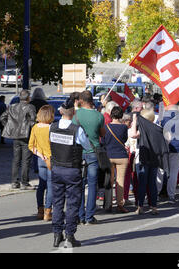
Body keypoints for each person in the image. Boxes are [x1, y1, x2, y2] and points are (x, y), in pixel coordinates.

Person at [50, 98, 91, 248]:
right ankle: (69, 235)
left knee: (57, 203)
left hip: (56, 169)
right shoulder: (76, 129)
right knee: (73, 203)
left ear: (61, 112)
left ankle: (56, 234)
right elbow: (87, 146)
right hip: (72, 169)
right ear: (73, 113)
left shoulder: (52, 127)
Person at [72, 91, 105, 225]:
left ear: (81, 100)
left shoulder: (77, 115)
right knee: (92, 185)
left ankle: (80, 215)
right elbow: (102, 133)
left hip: (79, 151)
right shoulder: (99, 115)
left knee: (79, 184)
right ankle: (89, 216)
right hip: (93, 151)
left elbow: (73, 130)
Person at [130, 108, 169, 215]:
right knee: (152, 183)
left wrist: (134, 119)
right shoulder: (158, 128)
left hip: (143, 157)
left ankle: (140, 206)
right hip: (155, 158)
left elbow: (133, 135)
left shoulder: (143, 129)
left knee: (142, 183)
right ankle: (154, 206)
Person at [0, 90, 36, 190]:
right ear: (28, 98)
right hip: (26, 136)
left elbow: (2, 117)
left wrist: (9, 127)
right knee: (26, 160)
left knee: (16, 160)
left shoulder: (12, 107)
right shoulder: (30, 107)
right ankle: (24, 182)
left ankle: (14, 182)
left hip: (15, 136)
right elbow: (33, 122)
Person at [28, 105, 55, 221]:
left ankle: (40, 209)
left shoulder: (35, 127)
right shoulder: (51, 128)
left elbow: (31, 146)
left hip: (40, 159)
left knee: (41, 185)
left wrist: (40, 154)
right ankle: (48, 211)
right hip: (51, 159)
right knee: (50, 186)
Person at [103, 106, 129, 213]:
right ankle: (120, 204)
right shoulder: (123, 127)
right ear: (121, 115)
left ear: (111, 115)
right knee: (120, 180)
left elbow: (103, 141)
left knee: (109, 180)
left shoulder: (106, 127)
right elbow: (124, 139)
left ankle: (108, 204)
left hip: (108, 155)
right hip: (121, 156)